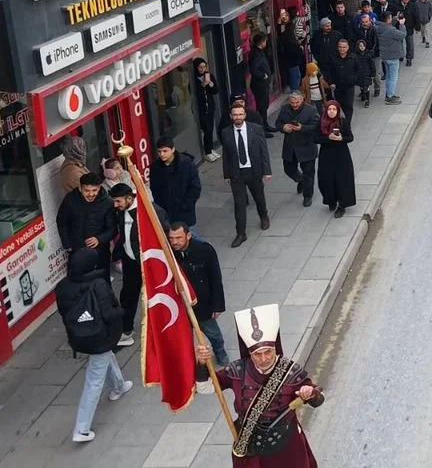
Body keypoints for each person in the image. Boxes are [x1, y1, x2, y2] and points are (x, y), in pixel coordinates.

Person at [195, 304, 325, 466]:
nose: (263, 359)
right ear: (250, 352)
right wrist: (201, 363)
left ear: (275, 349)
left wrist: (310, 393)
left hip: (287, 446)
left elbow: (318, 400)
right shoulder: (237, 371)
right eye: (257, 354)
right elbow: (205, 388)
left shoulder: (291, 372)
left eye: (268, 352)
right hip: (250, 448)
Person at [58, 247, 132, 443]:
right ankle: (81, 429)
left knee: (106, 357)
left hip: (79, 337)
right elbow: (108, 314)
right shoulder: (98, 284)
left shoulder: (63, 286)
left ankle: (118, 386)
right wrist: (122, 313)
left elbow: (63, 313)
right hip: (100, 336)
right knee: (94, 381)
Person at [166, 222, 228, 395]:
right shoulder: (169, 254)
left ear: (188, 235)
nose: (175, 242)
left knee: (212, 333)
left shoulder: (205, 251)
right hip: (180, 306)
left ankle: (220, 351)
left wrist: (218, 305)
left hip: (202, 304)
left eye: (178, 237)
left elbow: (215, 278)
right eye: (171, 238)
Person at [107, 183, 170, 346]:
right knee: (128, 295)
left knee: (156, 296)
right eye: (114, 201)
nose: (115, 205)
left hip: (149, 262)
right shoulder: (121, 211)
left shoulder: (150, 211)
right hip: (130, 261)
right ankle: (127, 330)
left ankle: (164, 328)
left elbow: (165, 234)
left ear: (129, 198)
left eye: (118, 201)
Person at [219, 105, 272, 247]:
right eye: (235, 115)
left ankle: (264, 216)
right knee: (239, 204)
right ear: (231, 116)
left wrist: (267, 170)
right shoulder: (226, 132)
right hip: (237, 173)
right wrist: (227, 175)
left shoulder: (255, 129)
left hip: (254, 170)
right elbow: (226, 155)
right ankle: (241, 233)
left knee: (259, 196)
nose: (238, 117)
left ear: (244, 115)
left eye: (240, 114)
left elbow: (263, 151)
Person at [56, 173, 113, 272]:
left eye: (94, 190)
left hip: (100, 252)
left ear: (99, 188)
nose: (91, 194)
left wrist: (99, 239)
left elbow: (112, 228)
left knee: (102, 282)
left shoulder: (107, 202)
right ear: (80, 188)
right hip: (77, 250)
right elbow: (62, 221)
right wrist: (67, 244)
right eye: (87, 191)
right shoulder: (70, 199)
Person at [149, 137, 202, 231]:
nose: (162, 154)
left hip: (184, 211)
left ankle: (204, 246)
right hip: (166, 211)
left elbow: (195, 187)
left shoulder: (186, 164)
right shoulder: (155, 167)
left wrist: (186, 205)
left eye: (165, 151)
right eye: (159, 151)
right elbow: (154, 189)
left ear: (173, 149)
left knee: (191, 236)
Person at [277, 92, 319, 207]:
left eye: (297, 102)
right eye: (292, 102)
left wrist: (302, 128)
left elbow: (316, 126)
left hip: (307, 147)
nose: (294, 105)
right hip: (290, 147)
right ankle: (300, 180)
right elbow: (278, 123)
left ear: (302, 100)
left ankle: (307, 196)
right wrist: (283, 127)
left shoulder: (311, 110)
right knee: (288, 169)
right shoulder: (285, 109)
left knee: (309, 173)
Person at [316, 100, 356, 218]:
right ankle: (330, 200)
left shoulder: (342, 122)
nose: (331, 112)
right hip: (326, 155)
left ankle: (342, 205)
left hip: (341, 155)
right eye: (329, 109)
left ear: (337, 110)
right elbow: (315, 138)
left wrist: (341, 139)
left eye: (334, 109)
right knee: (326, 179)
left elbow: (350, 137)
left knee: (342, 180)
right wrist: (328, 138)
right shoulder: (321, 123)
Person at [193, 58, 221, 162]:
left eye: (204, 67)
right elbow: (196, 94)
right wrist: (203, 85)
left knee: (210, 128)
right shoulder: (194, 79)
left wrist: (210, 83)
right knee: (206, 129)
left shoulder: (209, 76)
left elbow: (215, 91)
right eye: (200, 67)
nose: (202, 69)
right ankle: (207, 151)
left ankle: (210, 149)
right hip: (201, 109)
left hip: (210, 107)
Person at [376, 12, 407, 104]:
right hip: (393, 56)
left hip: (384, 56)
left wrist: (395, 18)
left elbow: (388, 26)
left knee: (388, 76)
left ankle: (388, 93)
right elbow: (402, 35)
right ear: (388, 19)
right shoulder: (391, 30)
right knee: (393, 77)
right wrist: (402, 24)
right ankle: (390, 97)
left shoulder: (378, 28)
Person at [249, 33, 276, 134]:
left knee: (264, 106)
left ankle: (265, 125)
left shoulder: (259, 52)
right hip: (260, 85)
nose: (266, 43)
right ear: (261, 42)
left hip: (262, 85)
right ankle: (262, 129)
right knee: (261, 107)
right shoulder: (256, 54)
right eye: (265, 41)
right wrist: (263, 76)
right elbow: (254, 69)